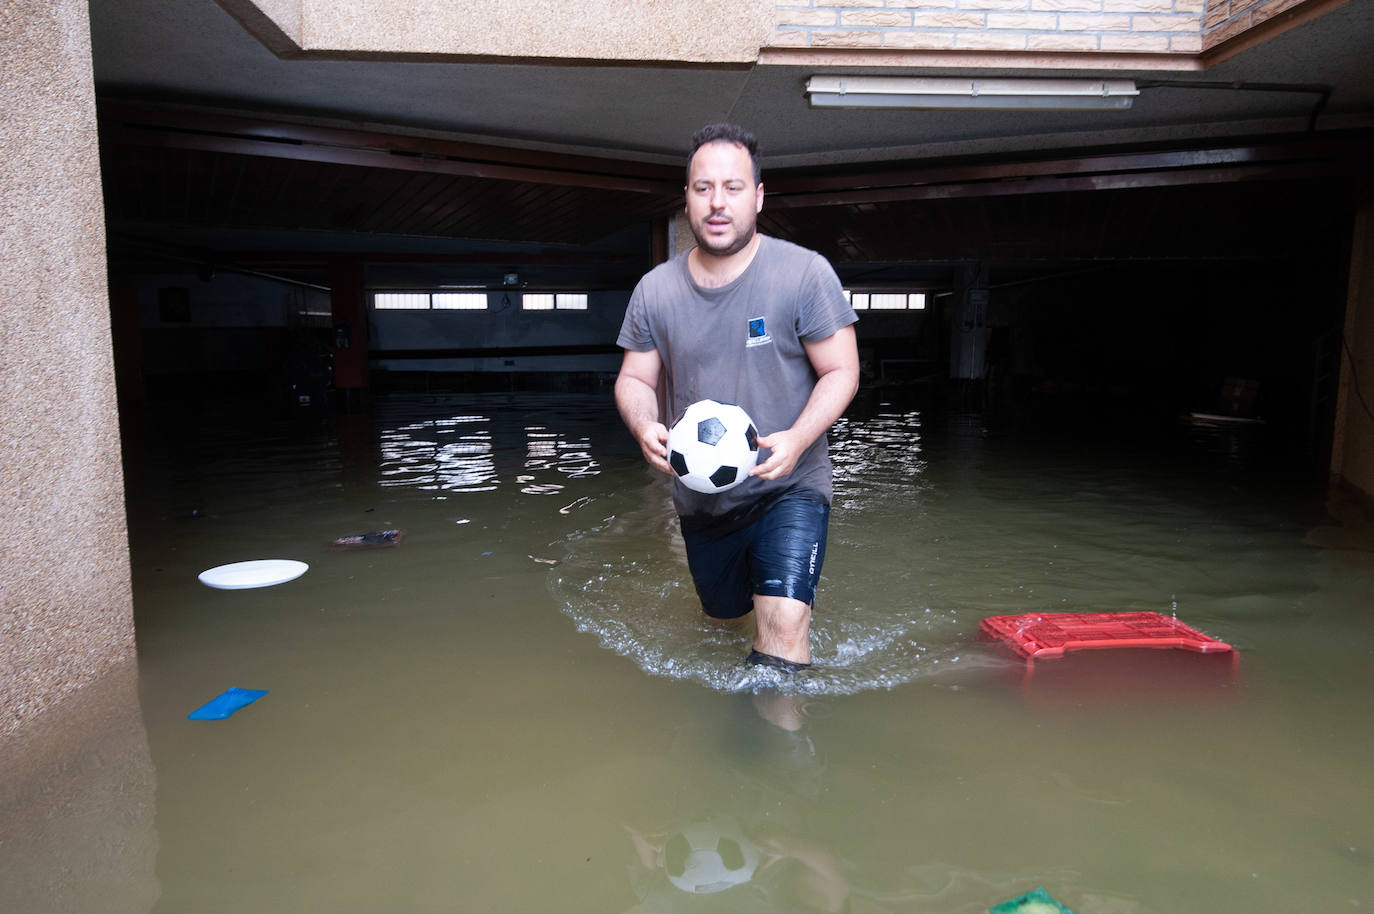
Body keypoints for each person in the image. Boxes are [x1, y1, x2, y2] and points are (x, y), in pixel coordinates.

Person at [614, 123, 859, 673]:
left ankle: (775, 746)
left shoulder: (803, 273)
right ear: (688, 199)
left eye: (733, 187)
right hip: (704, 499)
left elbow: (842, 370)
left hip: (789, 485)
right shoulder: (655, 290)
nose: (717, 202)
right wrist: (643, 424)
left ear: (759, 195)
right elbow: (634, 378)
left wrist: (797, 439)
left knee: (785, 623)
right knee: (723, 626)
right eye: (703, 188)